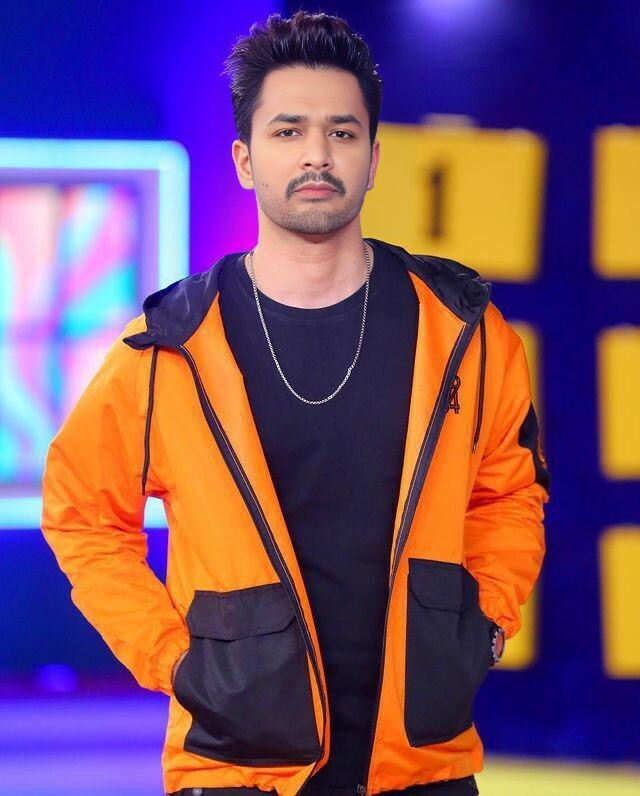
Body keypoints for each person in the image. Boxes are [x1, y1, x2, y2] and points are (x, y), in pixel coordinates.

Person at [41, 10, 551, 796]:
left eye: (342, 132)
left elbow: (510, 495)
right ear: (245, 160)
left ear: (374, 159)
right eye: (288, 132)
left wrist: (482, 625)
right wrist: (173, 658)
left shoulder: (463, 330)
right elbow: (81, 513)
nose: (317, 154)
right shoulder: (171, 347)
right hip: (234, 766)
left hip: (423, 765)